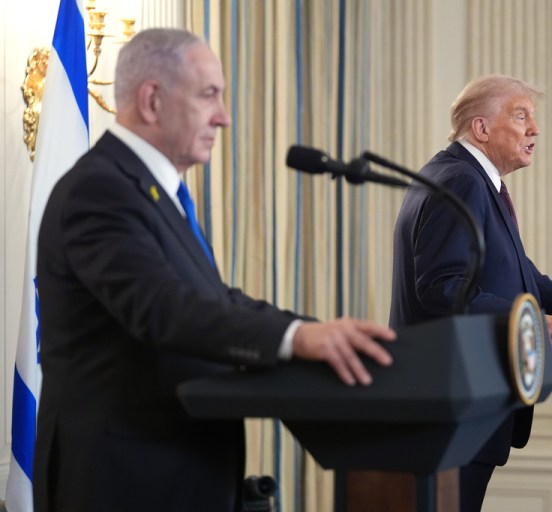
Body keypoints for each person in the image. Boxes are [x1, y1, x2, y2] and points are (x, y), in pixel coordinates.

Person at [32, 28, 395, 512]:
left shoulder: (152, 189)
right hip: (123, 482)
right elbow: (165, 310)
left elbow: (214, 299)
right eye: (209, 96)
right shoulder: (99, 189)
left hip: (178, 473)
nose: (223, 118)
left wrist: (311, 331)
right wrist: (294, 340)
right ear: (152, 100)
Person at [389, 75, 552, 511]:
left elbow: (518, 271)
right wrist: (532, 320)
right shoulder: (461, 181)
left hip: (458, 407)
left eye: (534, 117)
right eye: (521, 115)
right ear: (481, 128)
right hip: (452, 406)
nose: (535, 128)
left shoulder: (463, 177)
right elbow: (442, 288)